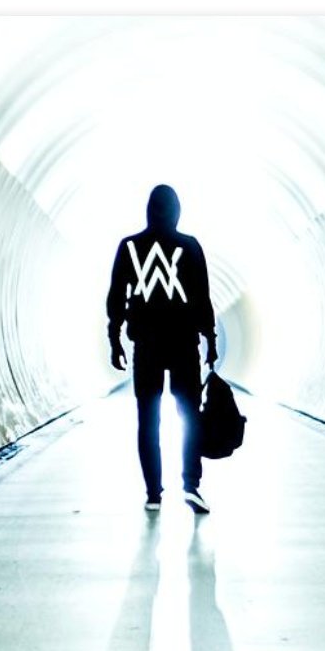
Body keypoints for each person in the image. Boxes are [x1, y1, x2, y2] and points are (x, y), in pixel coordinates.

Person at [106, 184, 217, 513]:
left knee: (148, 418)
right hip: (184, 344)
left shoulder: (129, 247)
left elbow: (116, 298)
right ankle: (191, 486)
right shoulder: (190, 246)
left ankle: (153, 493)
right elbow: (202, 298)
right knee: (190, 415)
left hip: (147, 346)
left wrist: (115, 340)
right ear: (177, 211)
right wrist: (210, 341)